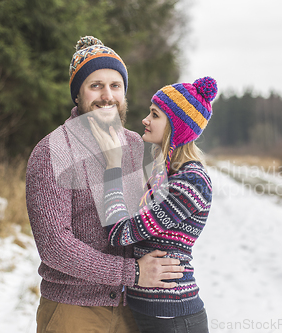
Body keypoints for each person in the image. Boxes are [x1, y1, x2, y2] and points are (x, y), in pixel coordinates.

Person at [25, 36, 184, 333]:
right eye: (95, 85)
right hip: (74, 311)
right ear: (78, 94)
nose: (106, 96)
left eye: (115, 86)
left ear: (124, 93)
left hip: (137, 310)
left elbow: (162, 214)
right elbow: (55, 246)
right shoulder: (53, 151)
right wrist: (132, 272)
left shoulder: (140, 146)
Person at [89, 76, 218, 333]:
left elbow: (120, 233)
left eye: (155, 115)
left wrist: (112, 167)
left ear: (176, 127)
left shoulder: (191, 182)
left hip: (172, 319)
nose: (145, 120)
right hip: (154, 315)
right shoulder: (165, 174)